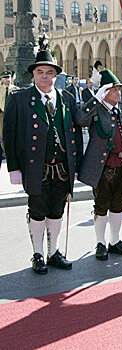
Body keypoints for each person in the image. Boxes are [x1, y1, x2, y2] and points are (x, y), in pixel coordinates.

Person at [2, 44, 83, 274]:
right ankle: (38, 254)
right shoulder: (19, 100)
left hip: (62, 169)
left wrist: (75, 166)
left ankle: (54, 251)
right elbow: (10, 136)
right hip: (35, 168)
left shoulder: (66, 98)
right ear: (33, 74)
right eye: (40, 72)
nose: (45, 76)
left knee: (56, 210)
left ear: (56, 75)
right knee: (37, 211)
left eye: (49, 72)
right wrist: (14, 169)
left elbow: (75, 134)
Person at [76, 70, 122, 260]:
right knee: (101, 206)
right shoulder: (95, 109)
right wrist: (96, 99)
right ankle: (100, 243)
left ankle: (115, 241)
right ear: (104, 92)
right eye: (114, 90)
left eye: (119, 90)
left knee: (118, 206)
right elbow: (80, 119)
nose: (119, 93)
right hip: (103, 169)